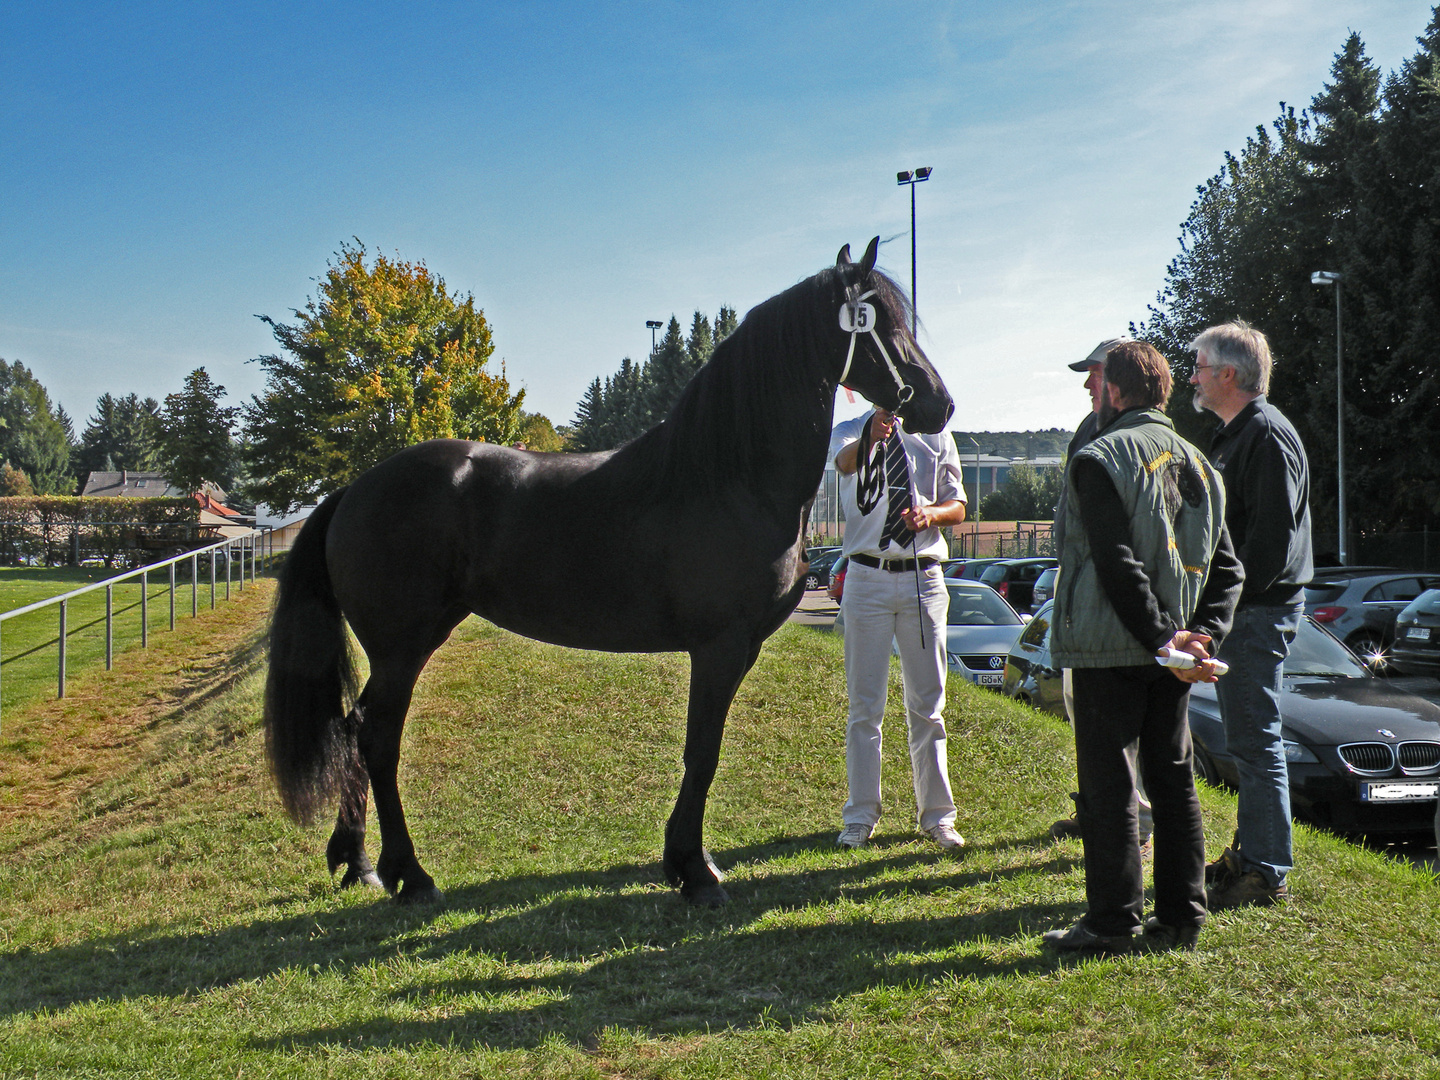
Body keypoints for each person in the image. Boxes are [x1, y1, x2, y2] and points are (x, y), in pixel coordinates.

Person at [1042, 341, 1243, 953]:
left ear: (1119, 392)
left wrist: (1163, 639)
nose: (1089, 393)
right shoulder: (1201, 463)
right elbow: (1229, 569)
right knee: (1174, 780)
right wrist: (1199, 637)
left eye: (1097, 384)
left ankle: (1112, 921)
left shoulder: (1100, 456)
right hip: (1172, 658)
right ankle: (1183, 917)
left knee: (1109, 789)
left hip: (1116, 649)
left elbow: (1114, 561)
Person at [1189, 321, 1313, 910]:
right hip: (1248, 611)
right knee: (1246, 736)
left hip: (1258, 613)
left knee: (1256, 739)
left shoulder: (1263, 434)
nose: (1192, 376)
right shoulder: (1240, 434)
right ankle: (1253, 853)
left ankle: (1265, 871)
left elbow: (1271, 541)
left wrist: (1225, 609)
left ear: (1228, 375)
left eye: (1199, 365)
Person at [830, 406, 968, 850]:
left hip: (923, 578)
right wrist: (871, 435)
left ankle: (938, 817)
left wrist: (931, 515)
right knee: (864, 708)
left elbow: (959, 504)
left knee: (928, 706)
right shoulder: (852, 430)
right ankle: (860, 816)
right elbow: (843, 463)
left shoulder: (936, 433)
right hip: (866, 578)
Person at [1049, 337, 1154, 849]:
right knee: (1081, 708)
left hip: (1122, 597)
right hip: (1083, 599)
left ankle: (1135, 823)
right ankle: (1102, 808)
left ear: (1117, 381)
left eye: (1093, 374)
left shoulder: (1132, 436)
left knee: (1128, 726)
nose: (1087, 384)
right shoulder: (1088, 431)